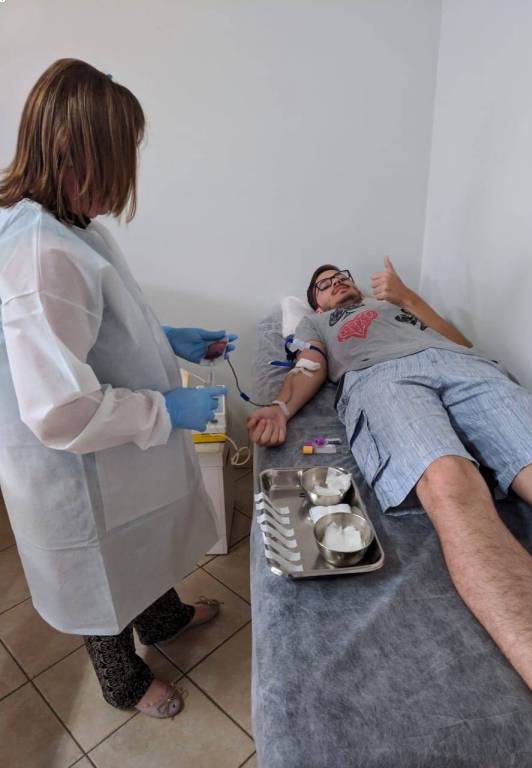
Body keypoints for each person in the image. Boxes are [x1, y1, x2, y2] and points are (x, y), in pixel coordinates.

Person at [247, 261, 532, 744]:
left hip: (465, 366)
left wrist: (405, 297)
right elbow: (309, 365)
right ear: (316, 303)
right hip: (379, 378)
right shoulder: (317, 324)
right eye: (324, 285)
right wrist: (280, 407)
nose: (337, 284)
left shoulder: (394, 305)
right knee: (451, 485)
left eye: (341, 276)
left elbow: (461, 342)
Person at [0, 59, 236, 719]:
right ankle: (123, 682)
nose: (123, 179)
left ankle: (161, 619)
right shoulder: (40, 251)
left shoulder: (69, 225)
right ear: (74, 156)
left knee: (143, 541)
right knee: (101, 574)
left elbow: (96, 328)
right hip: (72, 464)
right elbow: (60, 409)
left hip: (112, 442)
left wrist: (166, 338)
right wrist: (167, 408)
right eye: (116, 160)